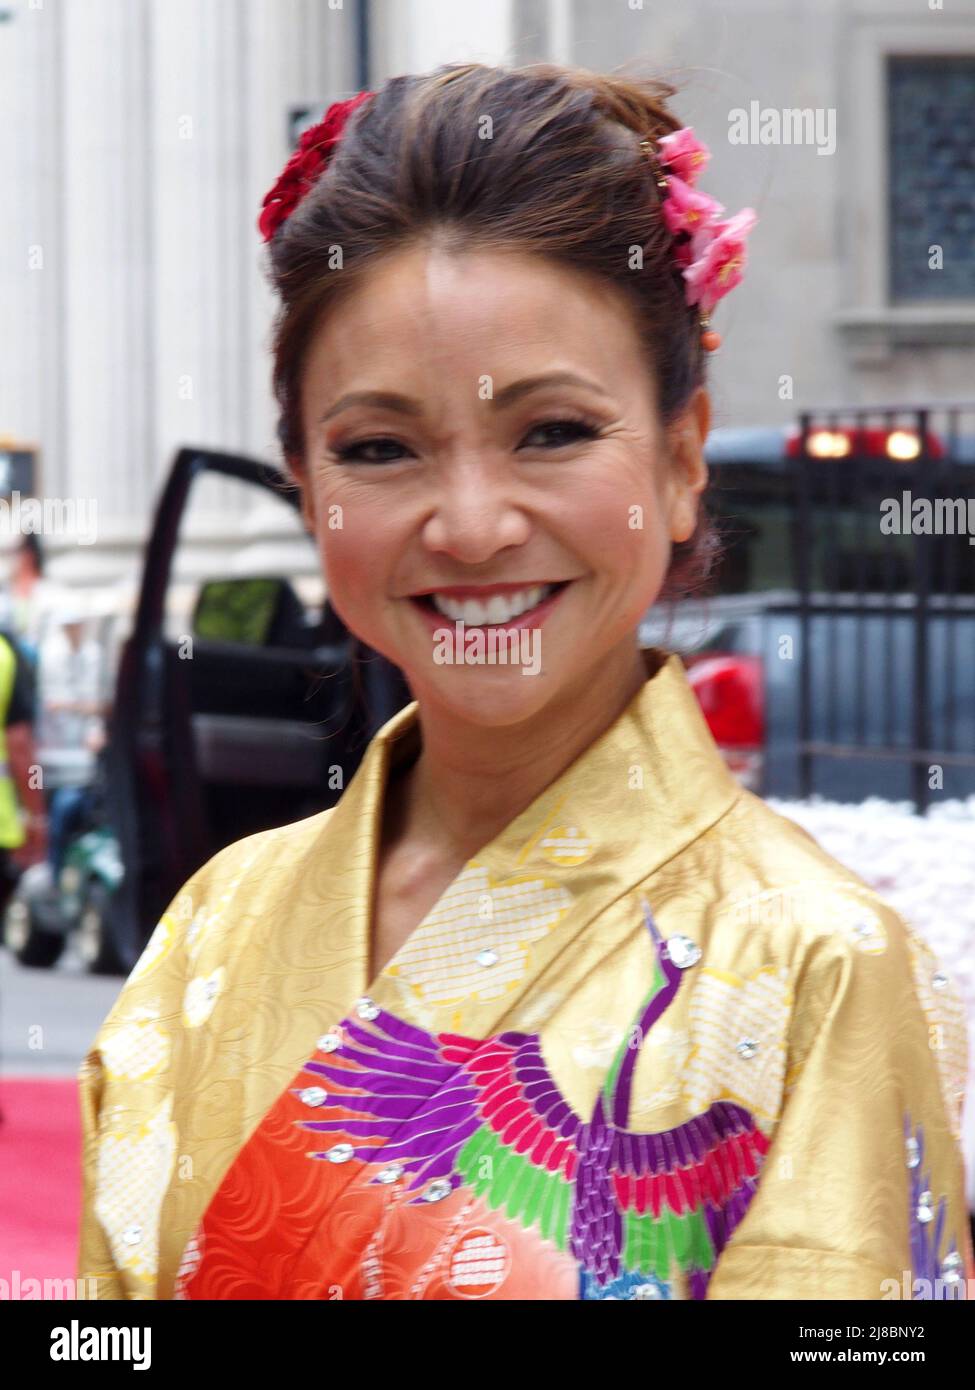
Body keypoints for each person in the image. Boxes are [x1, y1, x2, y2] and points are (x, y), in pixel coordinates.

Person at [77, 63, 971, 1301]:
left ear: (679, 456)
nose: (472, 524)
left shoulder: (821, 963)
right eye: (380, 448)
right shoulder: (213, 929)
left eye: (551, 432)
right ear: (306, 485)